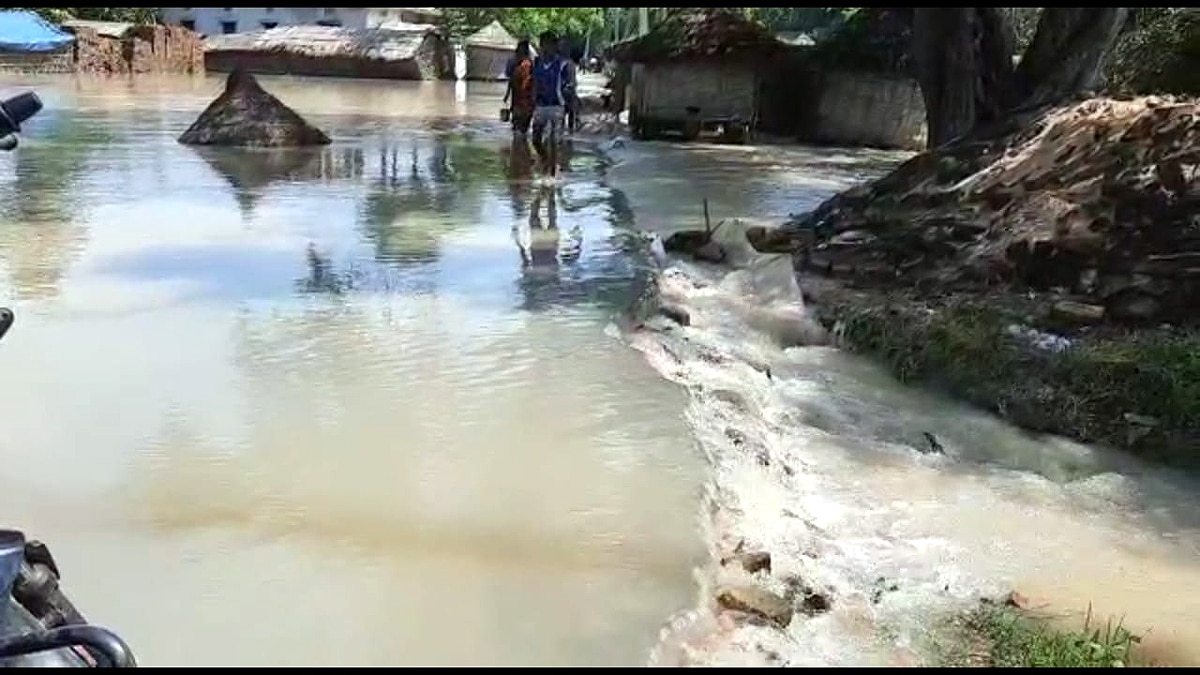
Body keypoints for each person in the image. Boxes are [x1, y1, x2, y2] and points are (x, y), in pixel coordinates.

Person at [530, 30, 573, 179]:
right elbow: (534, 83)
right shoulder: (537, 63)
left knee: (555, 140)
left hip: (557, 105)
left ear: (553, 46)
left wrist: (571, 106)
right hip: (540, 105)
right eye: (541, 45)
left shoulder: (562, 64)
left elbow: (569, 86)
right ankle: (546, 159)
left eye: (545, 45)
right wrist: (532, 102)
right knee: (535, 139)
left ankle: (553, 172)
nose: (543, 48)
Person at [503, 40, 534, 136]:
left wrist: (507, 94)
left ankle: (519, 147)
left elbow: (511, 79)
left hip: (523, 100)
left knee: (518, 127)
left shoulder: (525, 65)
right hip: (522, 99)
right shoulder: (527, 63)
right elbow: (511, 79)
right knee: (520, 128)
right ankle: (521, 147)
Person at [558, 38, 581, 134]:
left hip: (568, 90)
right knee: (563, 112)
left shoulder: (568, 63)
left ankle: (568, 131)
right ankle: (563, 132)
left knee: (570, 112)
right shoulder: (560, 62)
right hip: (564, 90)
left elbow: (573, 77)